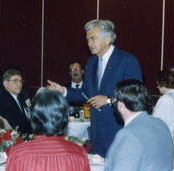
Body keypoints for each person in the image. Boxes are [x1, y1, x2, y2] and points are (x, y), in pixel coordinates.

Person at [47, 19, 142, 157]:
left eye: (93, 39)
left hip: (119, 130)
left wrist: (109, 100)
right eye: (87, 39)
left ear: (108, 38)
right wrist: (63, 90)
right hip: (96, 133)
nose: (89, 44)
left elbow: (136, 94)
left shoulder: (127, 60)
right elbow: (86, 92)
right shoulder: (91, 62)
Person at [0, 69, 31, 134]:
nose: (19, 84)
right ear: (5, 84)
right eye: (15, 81)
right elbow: (18, 126)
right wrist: (37, 126)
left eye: (20, 81)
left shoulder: (19, 97)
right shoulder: (3, 101)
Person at [153, 69, 174, 137]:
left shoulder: (166, 98)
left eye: (158, 84)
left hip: (166, 140)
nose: (157, 87)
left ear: (163, 84)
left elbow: (155, 124)